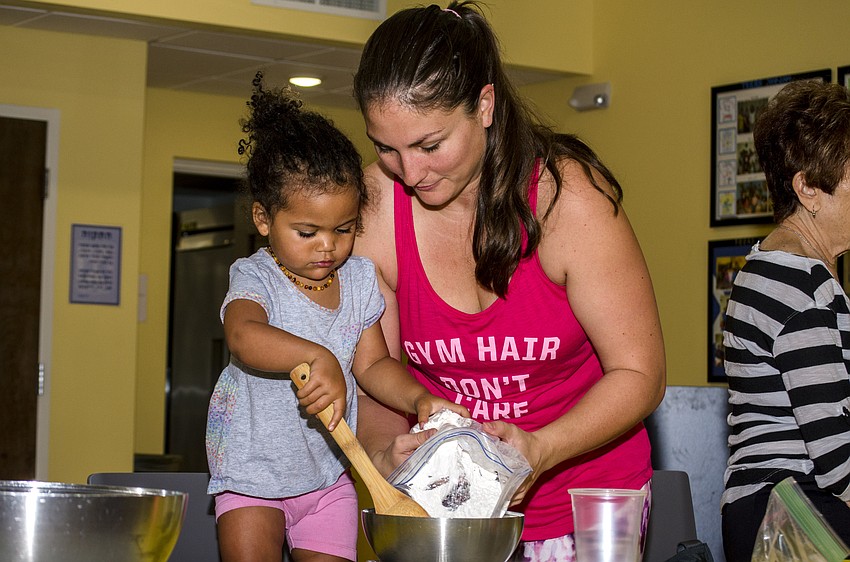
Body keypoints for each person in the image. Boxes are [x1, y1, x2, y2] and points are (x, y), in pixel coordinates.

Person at [350, 3, 667, 561]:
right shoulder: (376, 205)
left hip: (586, 501)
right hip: (446, 509)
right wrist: (382, 452)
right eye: (386, 147)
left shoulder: (569, 200)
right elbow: (378, 369)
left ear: (486, 105)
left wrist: (541, 448)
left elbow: (639, 374)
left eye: (429, 144)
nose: (410, 172)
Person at [205, 73, 469, 562]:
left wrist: (418, 397)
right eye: (307, 232)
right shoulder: (256, 277)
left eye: (343, 230)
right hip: (251, 476)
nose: (328, 246)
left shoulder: (361, 280)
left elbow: (371, 366)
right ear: (264, 219)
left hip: (330, 477)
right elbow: (242, 335)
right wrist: (315, 354)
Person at [721, 79, 850, 561]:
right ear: (809, 189)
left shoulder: (763, 266)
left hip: (761, 512)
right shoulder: (803, 284)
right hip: (795, 516)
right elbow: (836, 456)